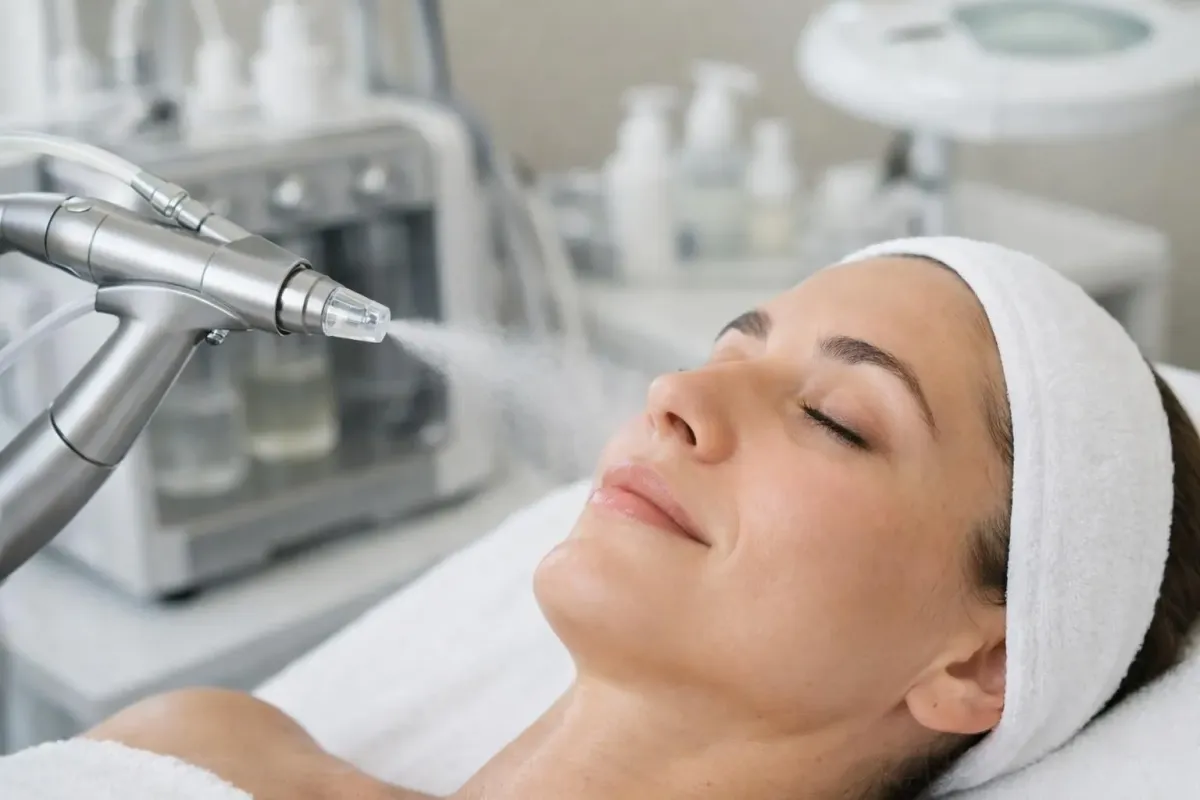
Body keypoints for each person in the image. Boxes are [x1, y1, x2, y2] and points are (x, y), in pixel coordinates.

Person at [82, 250, 1200, 800]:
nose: (676, 394)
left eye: (832, 417)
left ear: (984, 654)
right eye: (726, 348)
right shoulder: (202, 753)